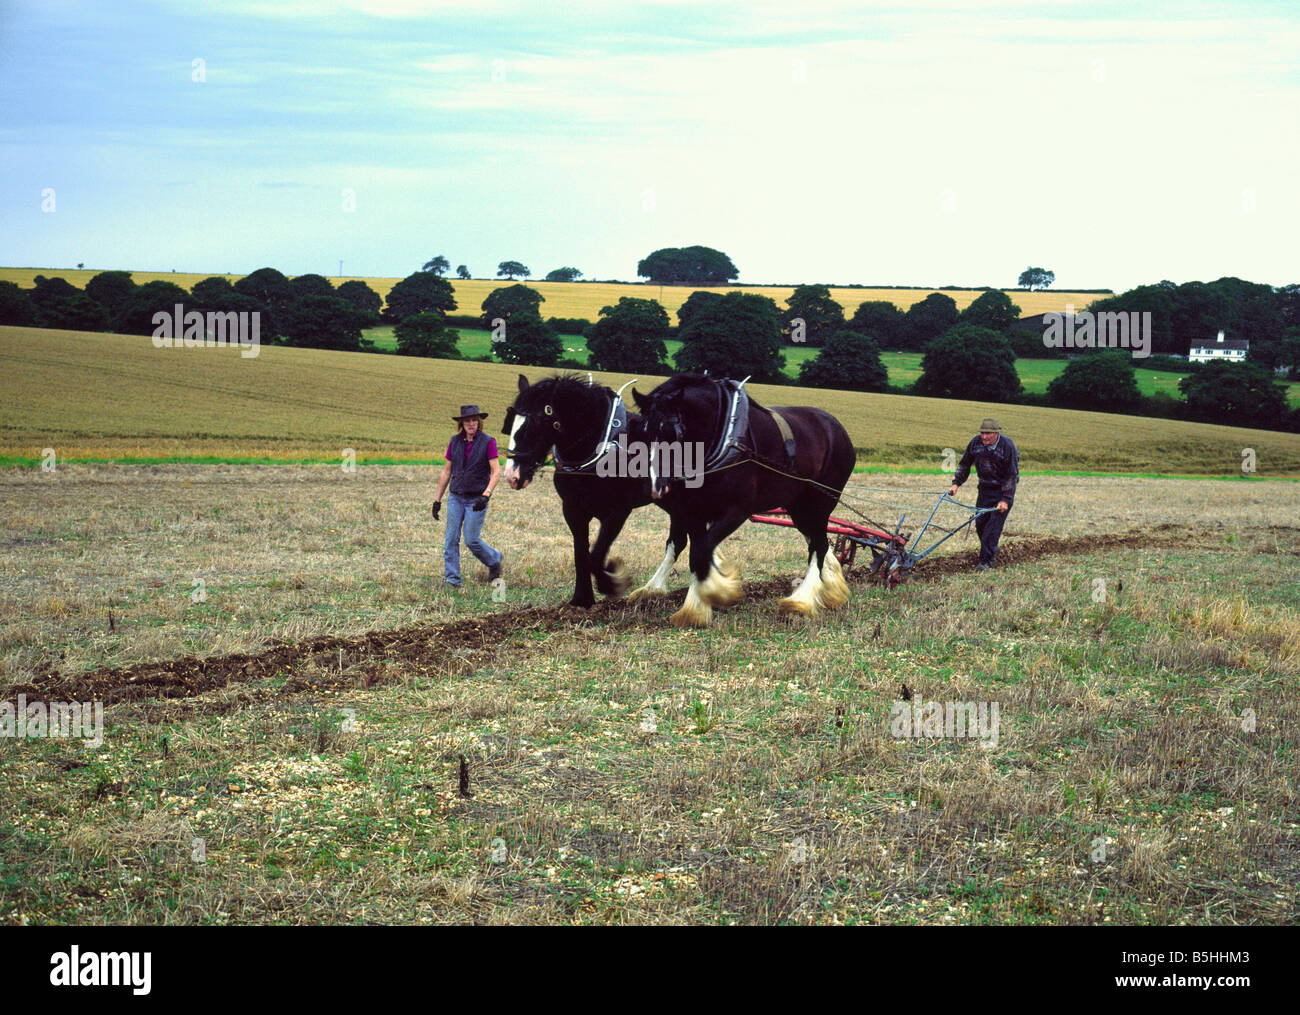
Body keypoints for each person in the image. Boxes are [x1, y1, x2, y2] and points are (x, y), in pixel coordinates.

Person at [432, 404, 502, 589]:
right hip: (456, 496)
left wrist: (486, 495)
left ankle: (494, 559)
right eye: (467, 421)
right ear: (462, 423)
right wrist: (437, 500)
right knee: (451, 539)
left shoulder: (488, 442)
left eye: (474, 420)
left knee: (471, 539)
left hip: (477, 499)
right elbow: (447, 472)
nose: (471, 424)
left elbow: (496, 472)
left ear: (479, 422)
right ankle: (453, 580)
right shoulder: (454, 442)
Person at [947, 417, 1018, 572]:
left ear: (996, 433)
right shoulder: (975, 443)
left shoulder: (1007, 447)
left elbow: (1011, 475)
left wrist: (1005, 499)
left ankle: (985, 563)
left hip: (1001, 492)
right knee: (980, 525)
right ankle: (991, 551)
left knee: (991, 530)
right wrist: (956, 483)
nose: (984, 437)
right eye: (982, 433)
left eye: (988, 433)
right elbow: (965, 464)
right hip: (984, 490)